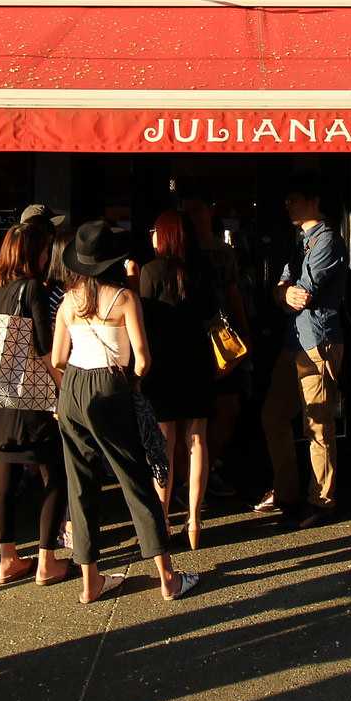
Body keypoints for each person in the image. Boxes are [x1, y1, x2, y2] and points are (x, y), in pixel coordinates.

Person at [52, 222, 197, 603]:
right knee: (135, 478)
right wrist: (130, 383)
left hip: (72, 390)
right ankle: (167, 578)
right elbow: (143, 359)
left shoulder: (68, 301)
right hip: (111, 385)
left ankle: (90, 582)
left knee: (79, 485)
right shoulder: (125, 299)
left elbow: (56, 358)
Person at [0, 221, 69, 586]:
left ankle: (8, 559)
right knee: (56, 474)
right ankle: (47, 560)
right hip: (29, 400)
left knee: (4, 476)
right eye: (45, 250)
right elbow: (46, 350)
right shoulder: (30, 288)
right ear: (33, 253)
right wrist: (63, 388)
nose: (48, 256)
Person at [255, 175, 347, 529]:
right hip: (295, 341)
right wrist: (283, 293)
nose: (287, 205)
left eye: (294, 199)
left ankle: (322, 500)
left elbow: (302, 294)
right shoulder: (300, 242)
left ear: (313, 201)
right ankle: (287, 490)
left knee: (318, 424)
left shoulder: (326, 240)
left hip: (317, 341)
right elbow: (281, 289)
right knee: (274, 415)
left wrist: (286, 293)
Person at [139, 210, 219, 549]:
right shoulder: (203, 270)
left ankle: (162, 518)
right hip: (198, 360)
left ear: (165, 235)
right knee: (198, 438)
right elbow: (213, 315)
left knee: (165, 444)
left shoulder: (150, 271)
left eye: (154, 231)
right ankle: (195, 520)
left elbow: (142, 318)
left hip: (162, 364)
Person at [182, 199, 249, 500]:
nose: (196, 214)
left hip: (222, 338)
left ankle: (210, 467)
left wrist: (245, 334)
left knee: (227, 408)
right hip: (192, 338)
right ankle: (191, 477)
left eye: (199, 208)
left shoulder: (223, 254)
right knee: (194, 414)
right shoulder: (182, 251)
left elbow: (234, 294)